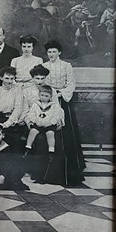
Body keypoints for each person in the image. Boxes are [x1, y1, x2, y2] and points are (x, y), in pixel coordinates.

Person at [42, 40, 85, 185]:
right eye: (49, 52)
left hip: (63, 101)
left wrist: (62, 94)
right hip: (49, 100)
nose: (51, 54)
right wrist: (50, 95)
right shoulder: (44, 66)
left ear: (59, 52)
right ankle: (49, 169)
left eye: (54, 51)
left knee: (67, 132)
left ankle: (72, 168)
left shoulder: (66, 66)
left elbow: (71, 83)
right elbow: (43, 84)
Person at [24, 85, 64, 159]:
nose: (43, 97)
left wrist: (51, 122)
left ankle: (51, 150)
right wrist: (35, 121)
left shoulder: (54, 105)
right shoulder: (35, 105)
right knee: (32, 131)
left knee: (50, 134)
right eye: (42, 95)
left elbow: (57, 115)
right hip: (38, 124)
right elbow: (31, 114)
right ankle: (28, 147)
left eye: (46, 96)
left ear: (50, 97)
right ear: (39, 95)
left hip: (49, 124)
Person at [0, 66, 25, 148]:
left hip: (12, 120)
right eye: (7, 78)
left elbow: (18, 108)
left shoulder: (18, 90)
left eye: (12, 78)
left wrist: (7, 124)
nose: (9, 81)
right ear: (1, 78)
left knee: (13, 140)